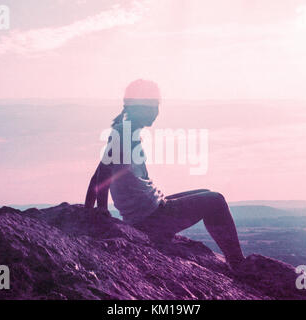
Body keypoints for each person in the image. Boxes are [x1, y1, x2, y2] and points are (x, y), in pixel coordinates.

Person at [84, 79, 245, 270]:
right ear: (139, 108)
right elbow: (102, 174)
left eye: (157, 106)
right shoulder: (124, 134)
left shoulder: (125, 132)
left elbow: (98, 174)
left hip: (151, 211)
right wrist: (101, 210)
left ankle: (235, 261)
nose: (156, 112)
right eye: (153, 107)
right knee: (216, 200)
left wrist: (88, 211)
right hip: (151, 219)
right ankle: (237, 263)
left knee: (206, 192)